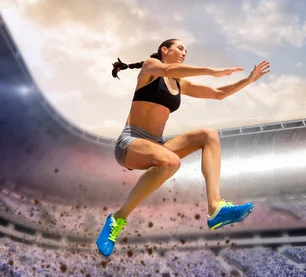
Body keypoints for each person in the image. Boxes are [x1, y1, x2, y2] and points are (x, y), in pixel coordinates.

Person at [96, 38, 270, 257]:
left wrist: (249, 80)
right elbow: (168, 68)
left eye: (186, 50)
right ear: (164, 50)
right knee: (171, 161)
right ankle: (117, 219)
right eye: (180, 48)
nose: (184, 52)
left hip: (156, 146)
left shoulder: (179, 84)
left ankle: (215, 208)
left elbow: (218, 94)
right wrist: (211, 71)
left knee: (209, 135)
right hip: (130, 143)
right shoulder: (151, 67)